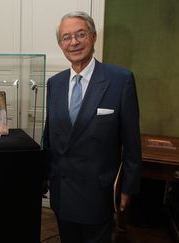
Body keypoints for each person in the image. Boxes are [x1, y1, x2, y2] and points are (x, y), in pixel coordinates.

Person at [43, 11, 141, 243]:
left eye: (80, 34)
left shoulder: (120, 80)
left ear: (93, 37)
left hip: (97, 194)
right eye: (66, 37)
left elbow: (131, 142)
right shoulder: (54, 84)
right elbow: (50, 136)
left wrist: (127, 188)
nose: (74, 42)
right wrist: (44, 176)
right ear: (60, 44)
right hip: (62, 191)